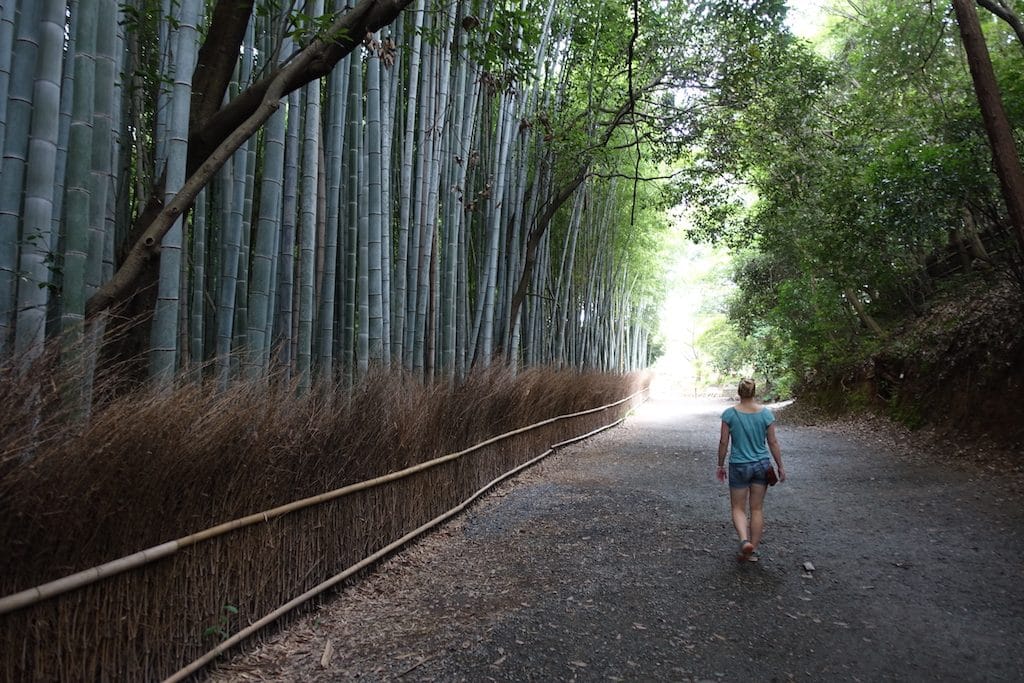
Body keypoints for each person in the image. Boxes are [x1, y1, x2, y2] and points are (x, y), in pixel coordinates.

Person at [716, 378, 785, 562]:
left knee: (738, 507)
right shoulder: (765, 414)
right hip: (761, 465)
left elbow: (724, 442)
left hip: (739, 465)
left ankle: (744, 540)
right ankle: (752, 549)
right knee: (757, 508)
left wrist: (720, 464)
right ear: (755, 392)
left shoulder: (729, 414)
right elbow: (773, 442)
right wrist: (780, 466)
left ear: (739, 392)